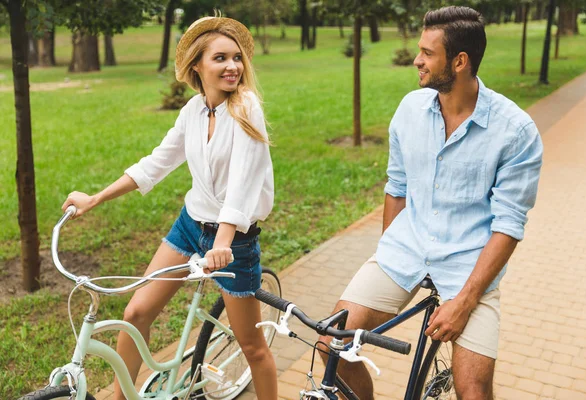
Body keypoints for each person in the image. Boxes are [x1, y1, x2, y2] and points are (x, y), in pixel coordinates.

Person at [319, 6, 543, 400]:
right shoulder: (410, 110)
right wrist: (390, 249)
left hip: (470, 265)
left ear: (459, 62)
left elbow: (508, 225)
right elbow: (397, 186)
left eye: (427, 53)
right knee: (331, 344)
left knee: (473, 390)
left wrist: (465, 301)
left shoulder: (516, 130)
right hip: (406, 249)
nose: (416, 60)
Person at [62, 16, 277, 400]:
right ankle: (120, 396)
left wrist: (223, 241)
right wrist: (95, 199)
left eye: (236, 58)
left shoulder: (247, 109)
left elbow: (243, 184)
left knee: (253, 347)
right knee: (135, 315)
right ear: (197, 65)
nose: (233, 67)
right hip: (190, 226)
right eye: (220, 58)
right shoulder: (193, 111)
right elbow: (155, 163)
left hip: (234, 242)